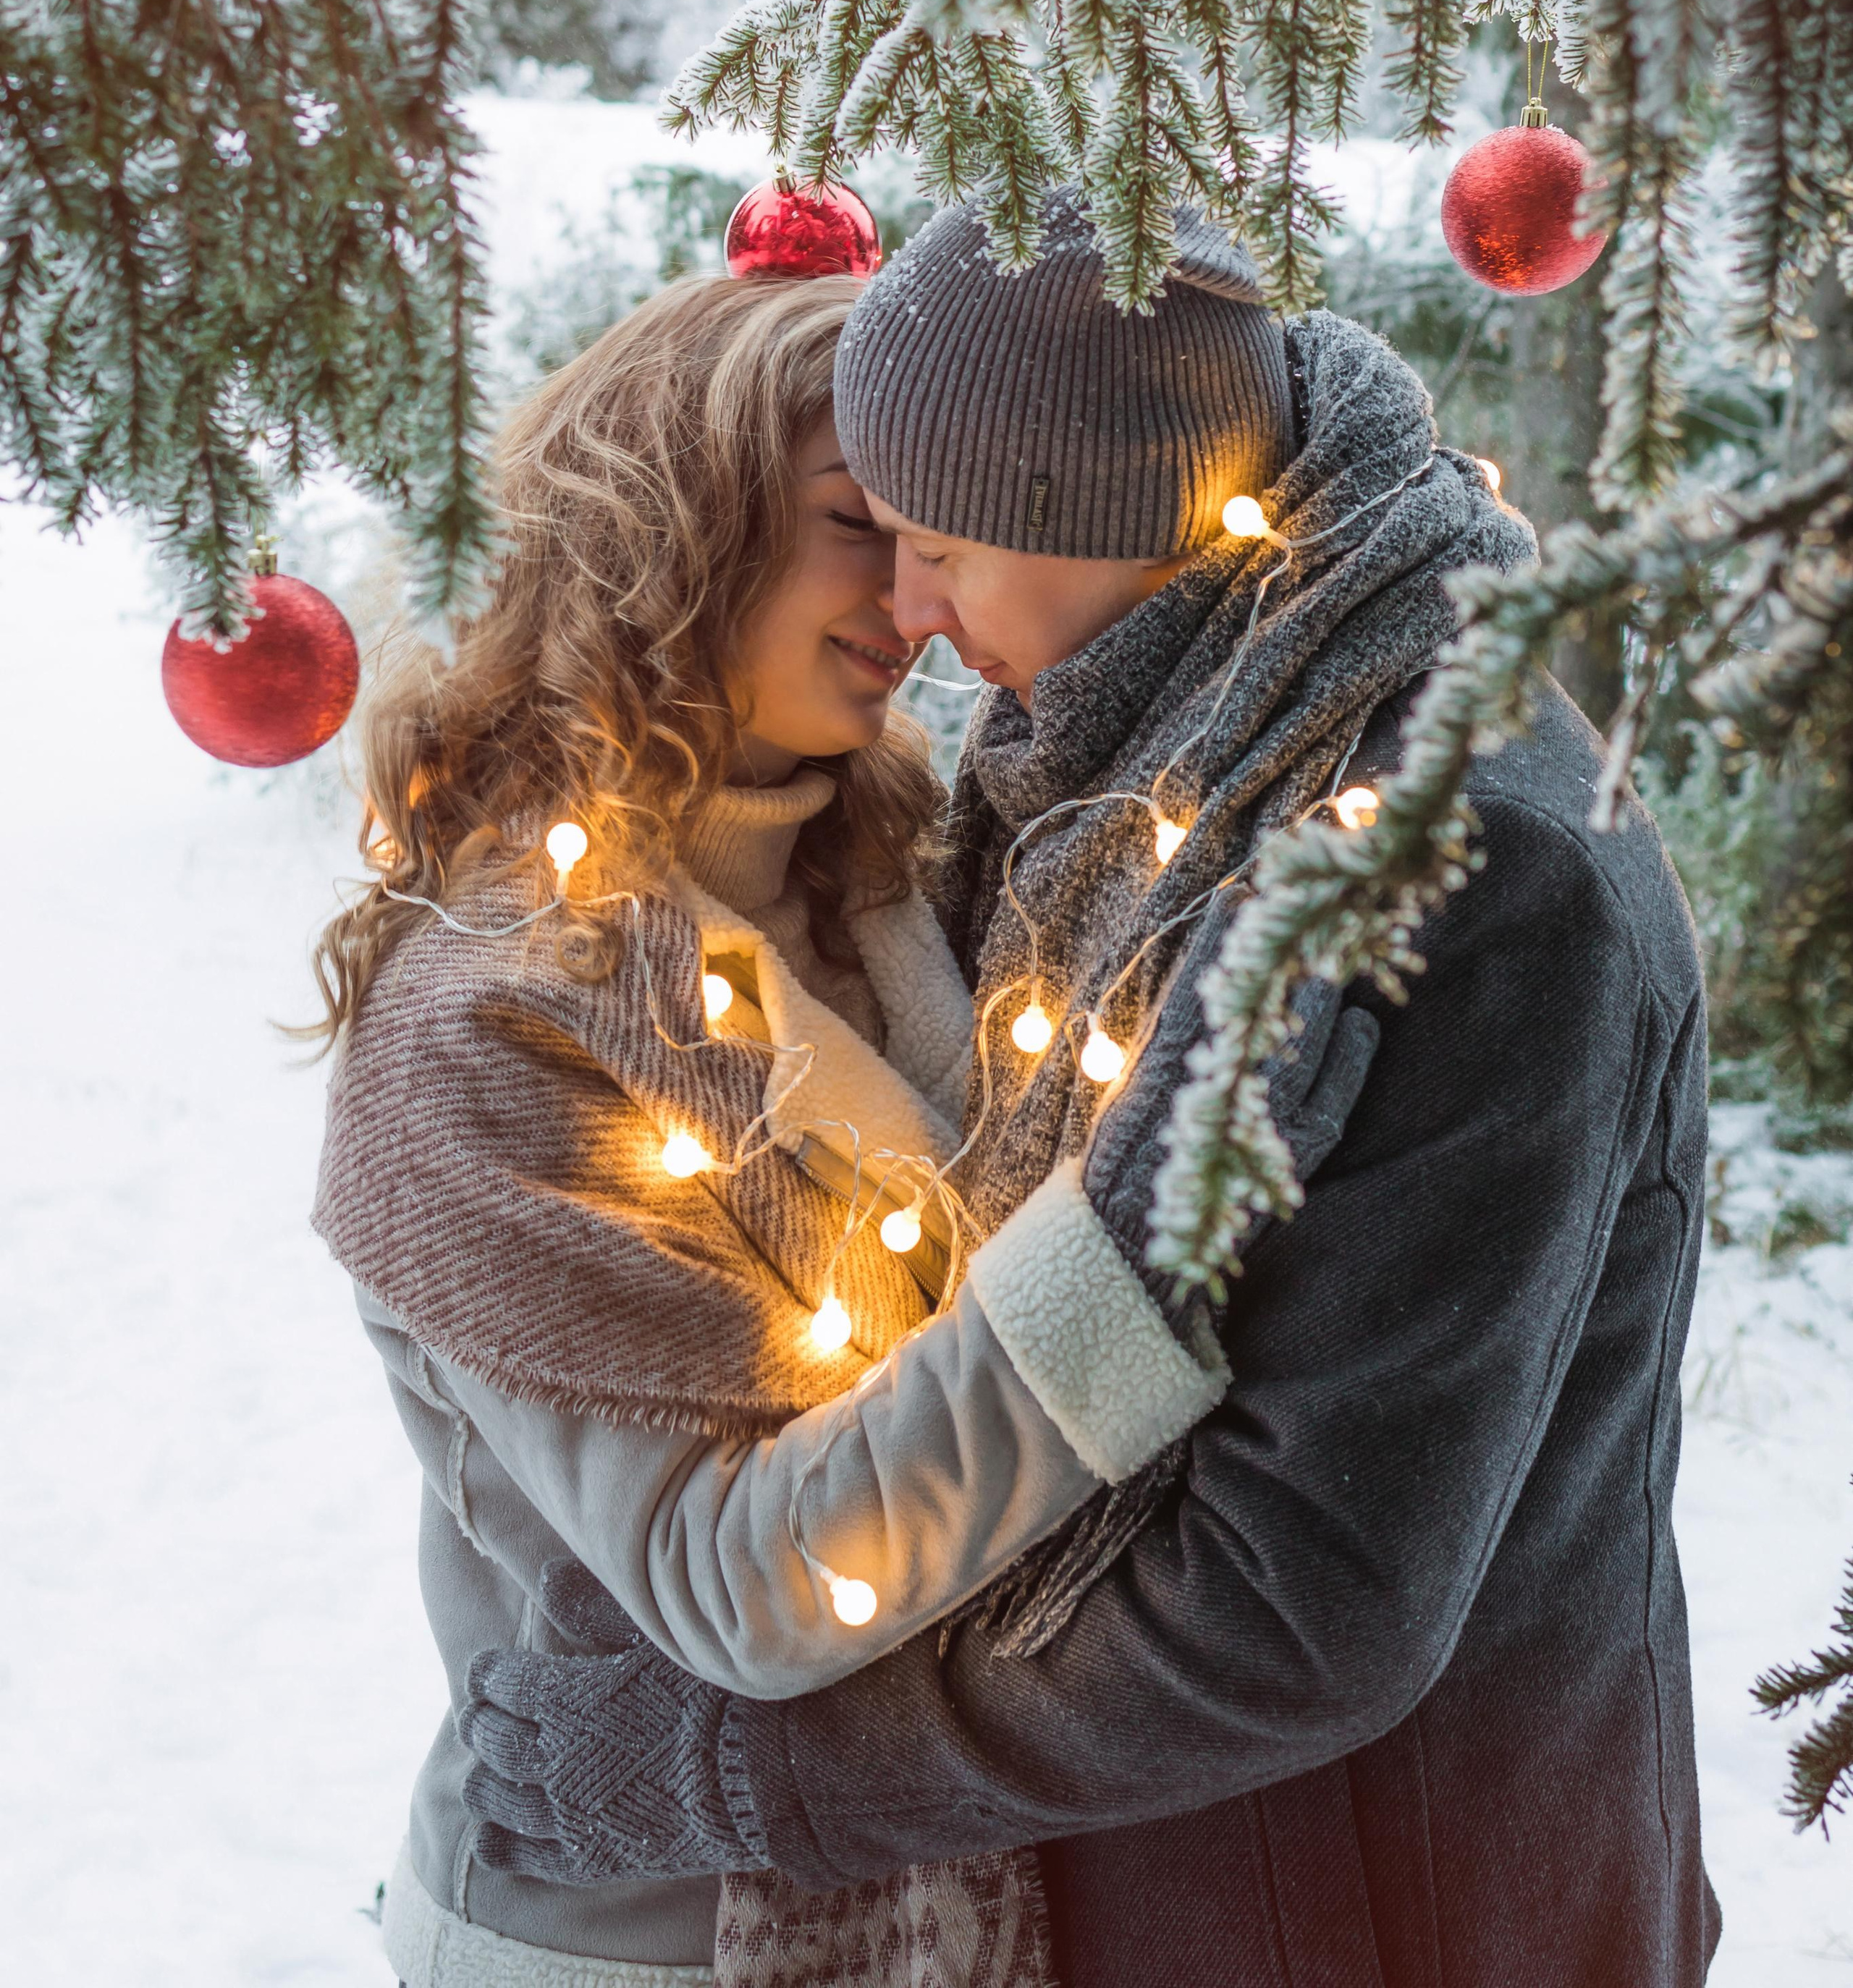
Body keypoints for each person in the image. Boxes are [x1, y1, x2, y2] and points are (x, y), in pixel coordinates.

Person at [462, 192, 1721, 1987]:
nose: (909, 614)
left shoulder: (1453, 868)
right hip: (1168, 1880)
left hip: (1384, 1906)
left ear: (1111, 510)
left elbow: (1296, 1608)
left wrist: (751, 1772)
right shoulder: (1132, 738)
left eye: (938, 546)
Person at [309, 269, 1242, 1988]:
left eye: (935, 539)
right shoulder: (489, 1021)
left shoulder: (895, 879)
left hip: (950, 1881)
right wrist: (1142, 1248)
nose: (915, 601)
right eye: (852, 525)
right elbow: (735, 1586)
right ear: (675, 513)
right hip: (638, 1941)